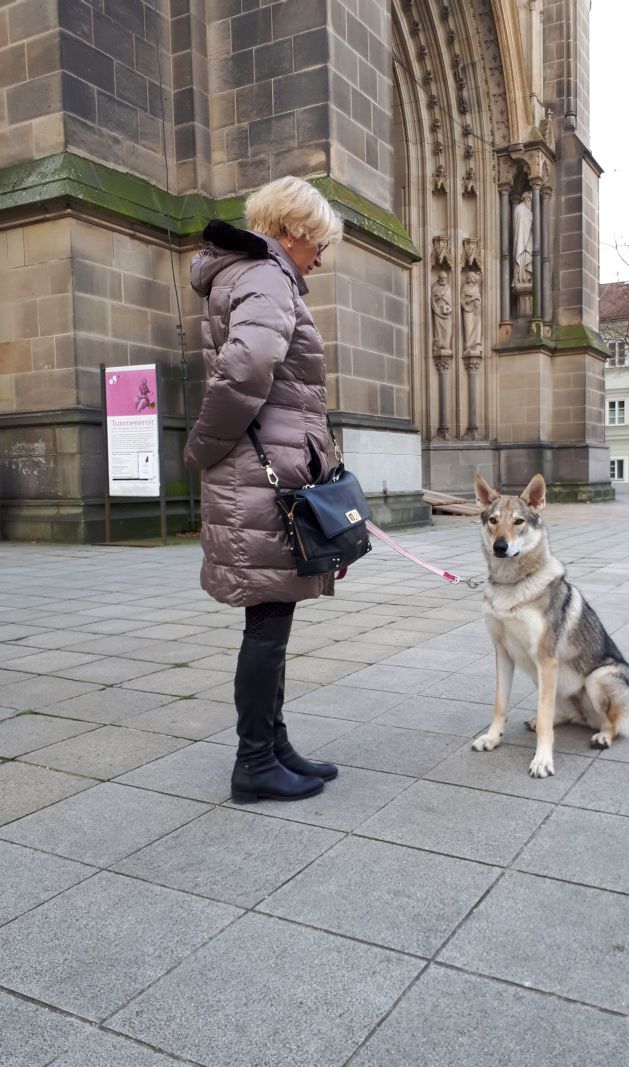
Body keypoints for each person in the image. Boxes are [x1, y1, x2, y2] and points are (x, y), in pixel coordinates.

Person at [184, 176, 343, 804]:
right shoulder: (267, 274)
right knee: (268, 622)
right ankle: (254, 761)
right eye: (319, 243)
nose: (321, 258)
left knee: (272, 615)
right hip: (262, 470)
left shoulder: (248, 273)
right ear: (294, 231)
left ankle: (273, 746)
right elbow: (246, 367)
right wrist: (201, 448)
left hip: (262, 465)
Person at [512, 190, 533, 287]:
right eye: (530, 200)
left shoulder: (528, 210)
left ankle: (526, 277)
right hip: (521, 240)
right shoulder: (519, 209)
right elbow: (519, 227)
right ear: (526, 199)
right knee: (521, 254)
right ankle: (520, 277)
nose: (531, 203)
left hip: (528, 239)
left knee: (528, 256)